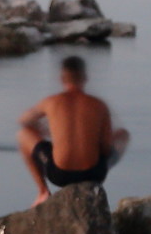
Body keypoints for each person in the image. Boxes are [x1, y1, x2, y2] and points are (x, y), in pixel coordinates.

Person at [19, 55, 128, 205]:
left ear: (62, 79)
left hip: (59, 174)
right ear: (85, 77)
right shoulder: (98, 105)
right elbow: (105, 147)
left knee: (23, 135)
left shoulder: (51, 102)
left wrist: (45, 130)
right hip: (94, 174)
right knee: (123, 135)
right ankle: (101, 174)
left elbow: (24, 121)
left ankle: (43, 191)